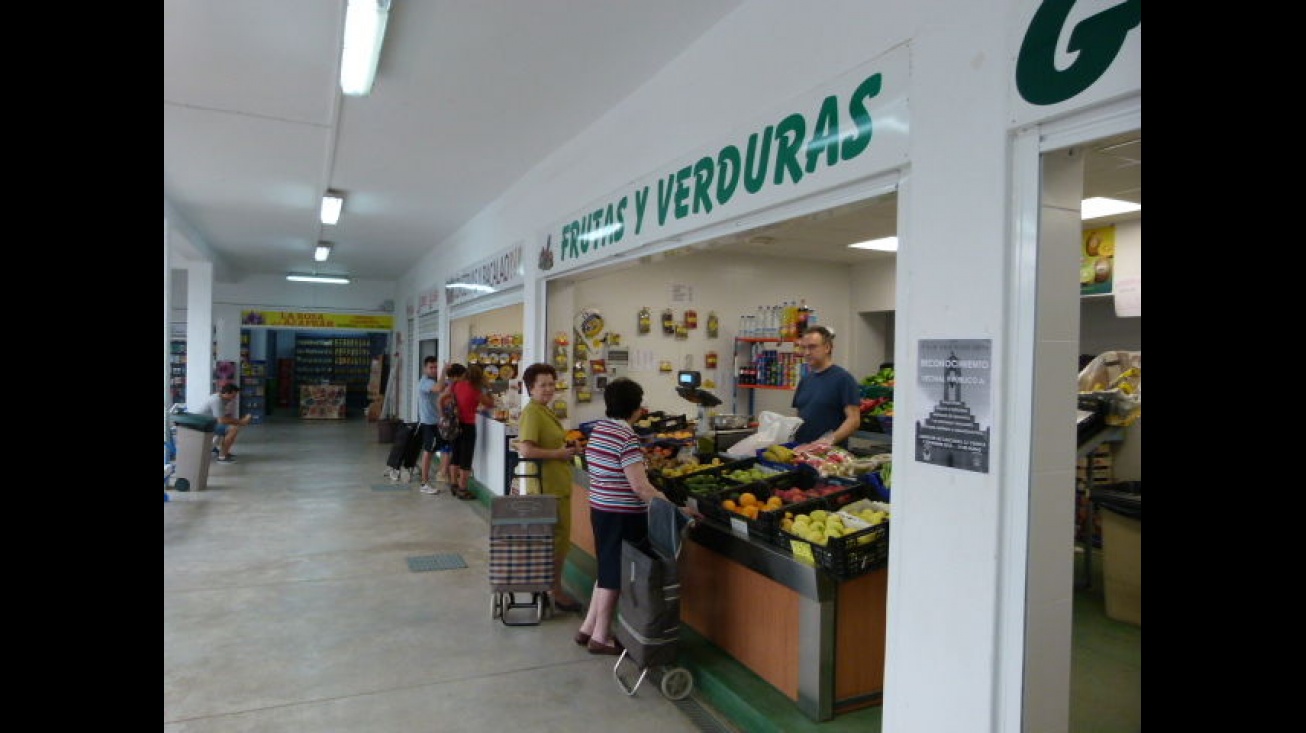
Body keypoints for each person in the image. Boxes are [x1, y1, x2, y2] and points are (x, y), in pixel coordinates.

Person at [575, 377, 671, 655]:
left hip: (600, 509)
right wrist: (669, 506)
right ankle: (602, 637)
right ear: (637, 408)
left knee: (606, 568)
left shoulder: (600, 429)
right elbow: (639, 486)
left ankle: (588, 627)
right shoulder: (626, 437)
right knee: (615, 575)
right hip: (622, 514)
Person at [514, 363, 584, 613]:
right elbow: (526, 449)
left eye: (551, 384)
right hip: (547, 488)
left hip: (556, 485)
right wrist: (558, 454)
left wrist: (569, 449)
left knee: (556, 541)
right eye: (542, 385)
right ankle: (554, 591)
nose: (548, 389)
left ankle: (549, 588)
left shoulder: (543, 410)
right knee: (556, 542)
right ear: (530, 387)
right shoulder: (533, 412)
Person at [792, 325, 862, 448]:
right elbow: (799, 415)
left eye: (812, 347)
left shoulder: (843, 379)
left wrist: (827, 441)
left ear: (827, 347)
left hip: (829, 458)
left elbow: (854, 420)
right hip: (802, 452)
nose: (807, 352)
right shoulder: (805, 379)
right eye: (804, 347)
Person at [440, 363, 494, 500]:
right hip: (468, 426)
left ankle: (454, 484)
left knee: (456, 454)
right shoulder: (476, 391)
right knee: (466, 458)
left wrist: (443, 414)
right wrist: (488, 388)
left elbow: (442, 398)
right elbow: (490, 404)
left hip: (455, 424)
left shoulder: (456, 385)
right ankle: (463, 489)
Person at [414, 356, 445, 495]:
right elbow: (439, 388)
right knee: (428, 451)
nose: (434, 370)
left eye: (436, 367)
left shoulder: (432, 381)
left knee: (434, 451)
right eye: (431, 367)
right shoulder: (425, 382)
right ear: (425, 369)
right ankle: (424, 483)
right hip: (428, 423)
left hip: (436, 422)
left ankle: (438, 475)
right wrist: (444, 371)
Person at [203, 382, 251, 463]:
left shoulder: (222, 398)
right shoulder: (216, 400)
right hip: (204, 425)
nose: (234, 398)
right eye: (233, 395)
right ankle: (222, 456)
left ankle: (225, 452)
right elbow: (221, 420)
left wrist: (238, 422)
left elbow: (223, 418)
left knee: (233, 426)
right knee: (233, 429)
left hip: (210, 423)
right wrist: (241, 422)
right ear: (226, 393)